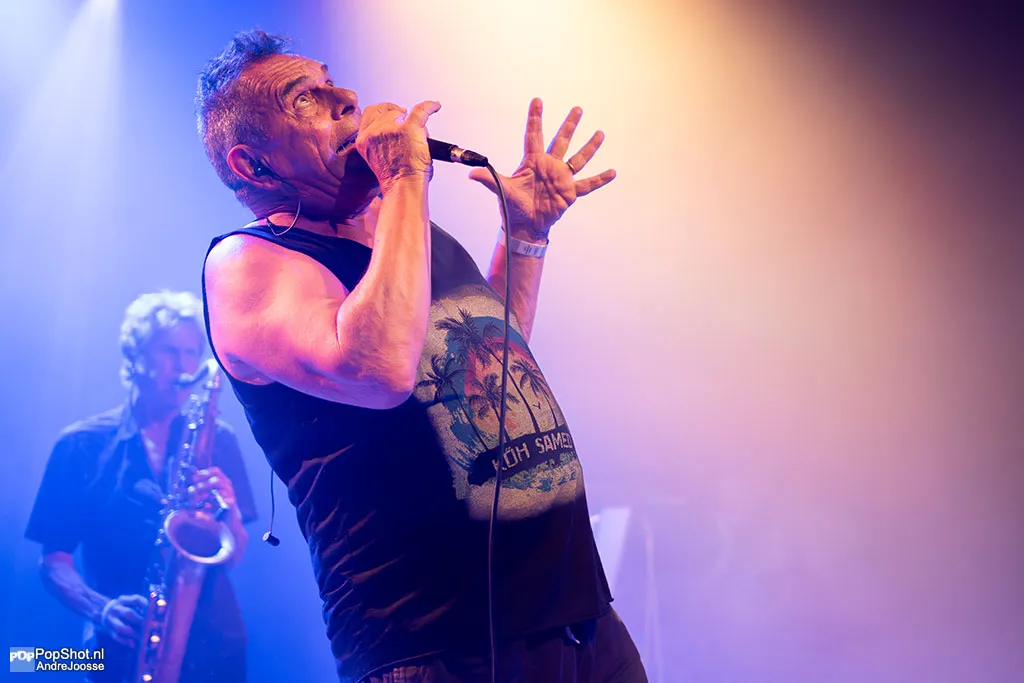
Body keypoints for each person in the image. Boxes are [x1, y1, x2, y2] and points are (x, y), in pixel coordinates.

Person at [196, 29, 647, 683]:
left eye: (332, 82)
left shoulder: (395, 230)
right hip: (440, 647)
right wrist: (406, 177)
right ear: (252, 165)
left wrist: (524, 236)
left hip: (578, 618)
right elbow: (380, 370)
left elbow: (484, 360)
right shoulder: (248, 263)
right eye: (305, 98)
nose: (347, 99)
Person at [25, 290, 258, 682]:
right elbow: (53, 562)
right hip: (120, 647)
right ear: (134, 357)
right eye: (169, 351)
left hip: (215, 648)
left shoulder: (219, 438)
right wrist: (101, 609)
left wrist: (230, 509)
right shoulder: (79, 445)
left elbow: (231, 556)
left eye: (191, 353)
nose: (183, 365)